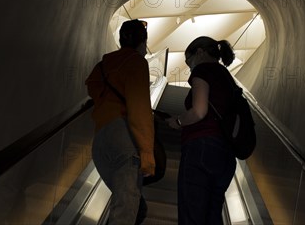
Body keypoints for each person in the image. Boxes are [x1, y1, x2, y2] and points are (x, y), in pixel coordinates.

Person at [85, 19, 155, 225]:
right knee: (125, 209)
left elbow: (92, 87)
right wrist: (147, 155)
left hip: (100, 139)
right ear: (142, 43)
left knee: (132, 205)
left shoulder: (103, 64)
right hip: (124, 137)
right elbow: (139, 109)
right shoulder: (136, 62)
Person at [167, 36, 237, 225]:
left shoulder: (203, 70)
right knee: (212, 217)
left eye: (188, 61)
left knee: (192, 216)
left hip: (201, 149)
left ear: (200, 52)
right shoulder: (227, 78)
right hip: (226, 156)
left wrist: (179, 121)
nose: (189, 67)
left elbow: (199, 111)